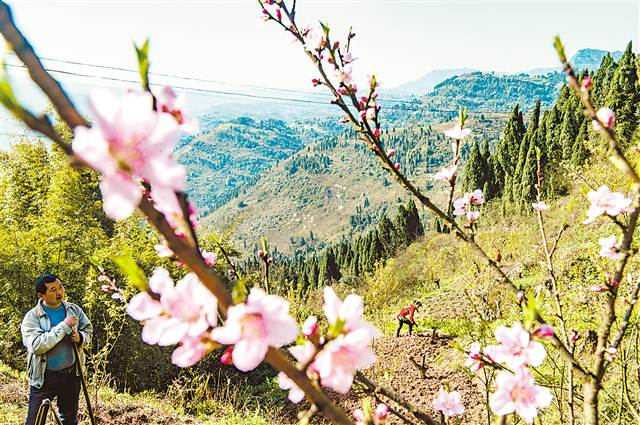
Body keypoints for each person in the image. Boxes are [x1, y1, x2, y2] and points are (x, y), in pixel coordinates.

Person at [21, 273, 93, 425]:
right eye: (53, 290)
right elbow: (36, 345)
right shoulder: (32, 317)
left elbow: (88, 331)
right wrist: (64, 326)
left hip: (70, 375)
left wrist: (81, 337)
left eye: (60, 287)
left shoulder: (74, 310)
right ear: (42, 295)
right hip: (44, 378)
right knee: (34, 421)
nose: (59, 292)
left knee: (69, 420)